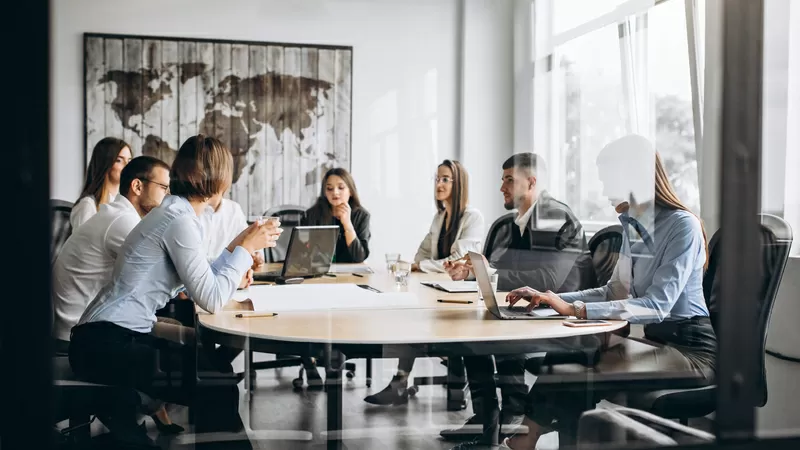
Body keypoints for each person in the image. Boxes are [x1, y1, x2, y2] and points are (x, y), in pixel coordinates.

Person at [496, 135, 716, 449]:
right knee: (568, 354)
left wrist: (575, 310)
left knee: (573, 372)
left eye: (608, 180)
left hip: (693, 352)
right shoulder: (635, 226)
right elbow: (613, 290)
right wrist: (550, 297)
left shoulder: (683, 227)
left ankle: (525, 437)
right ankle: (527, 437)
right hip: (659, 343)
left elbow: (657, 306)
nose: (603, 190)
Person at [68, 135, 282, 448]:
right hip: (104, 344)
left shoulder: (177, 214)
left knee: (217, 373)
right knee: (218, 385)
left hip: (105, 337)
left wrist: (241, 244)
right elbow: (209, 297)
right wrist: (245, 249)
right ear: (217, 179)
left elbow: (200, 276)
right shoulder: (179, 220)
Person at [440, 153, 593, 442]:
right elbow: (500, 271)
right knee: (468, 331)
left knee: (476, 334)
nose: (502, 187)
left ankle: (499, 420)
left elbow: (549, 281)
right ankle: (490, 418)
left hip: (561, 314)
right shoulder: (511, 223)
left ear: (532, 182)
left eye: (510, 180)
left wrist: (490, 270)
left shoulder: (553, 216)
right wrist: (470, 272)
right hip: (526, 310)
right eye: (503, 180)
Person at [53, 155, 182, 432]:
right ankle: (134, 413)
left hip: (88, 321)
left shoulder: (117, 214)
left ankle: (140, 412)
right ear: (137, 186)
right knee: (170, 345)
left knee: (170, 332)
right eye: (164, 188)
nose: (169, 197)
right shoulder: (123, 222)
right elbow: (167, 271)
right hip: (85, 330)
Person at [364, 160, 484, 405]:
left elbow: (456, 261)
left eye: (445, 179)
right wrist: (425, 264)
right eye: (437, 179)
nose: (439, 184)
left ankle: (453, 386)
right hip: (438, 287)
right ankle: (399, 383)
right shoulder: (440, 217)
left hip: (461, 293)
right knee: (408, 314)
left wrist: (425, 265)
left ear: (458, 183)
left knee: (417, 318)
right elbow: (421, 255)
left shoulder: (473, 218)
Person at [302, 167, 371, 263]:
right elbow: (303, 252)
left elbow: (359, 257)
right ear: (325, 193)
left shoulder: (362, 216)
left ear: (350, 191)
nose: (335, 192)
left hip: (351, 274)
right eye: (329, 188)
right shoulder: (312, 214)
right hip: (319, 271)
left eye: (341, 187)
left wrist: (348, 225)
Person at [71, 137, 132, 230]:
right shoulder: (87, 205)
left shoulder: (123, 203)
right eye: (119, 160)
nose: (127, 166)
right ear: (105, 163)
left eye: (129, 161)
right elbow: (82, 244)